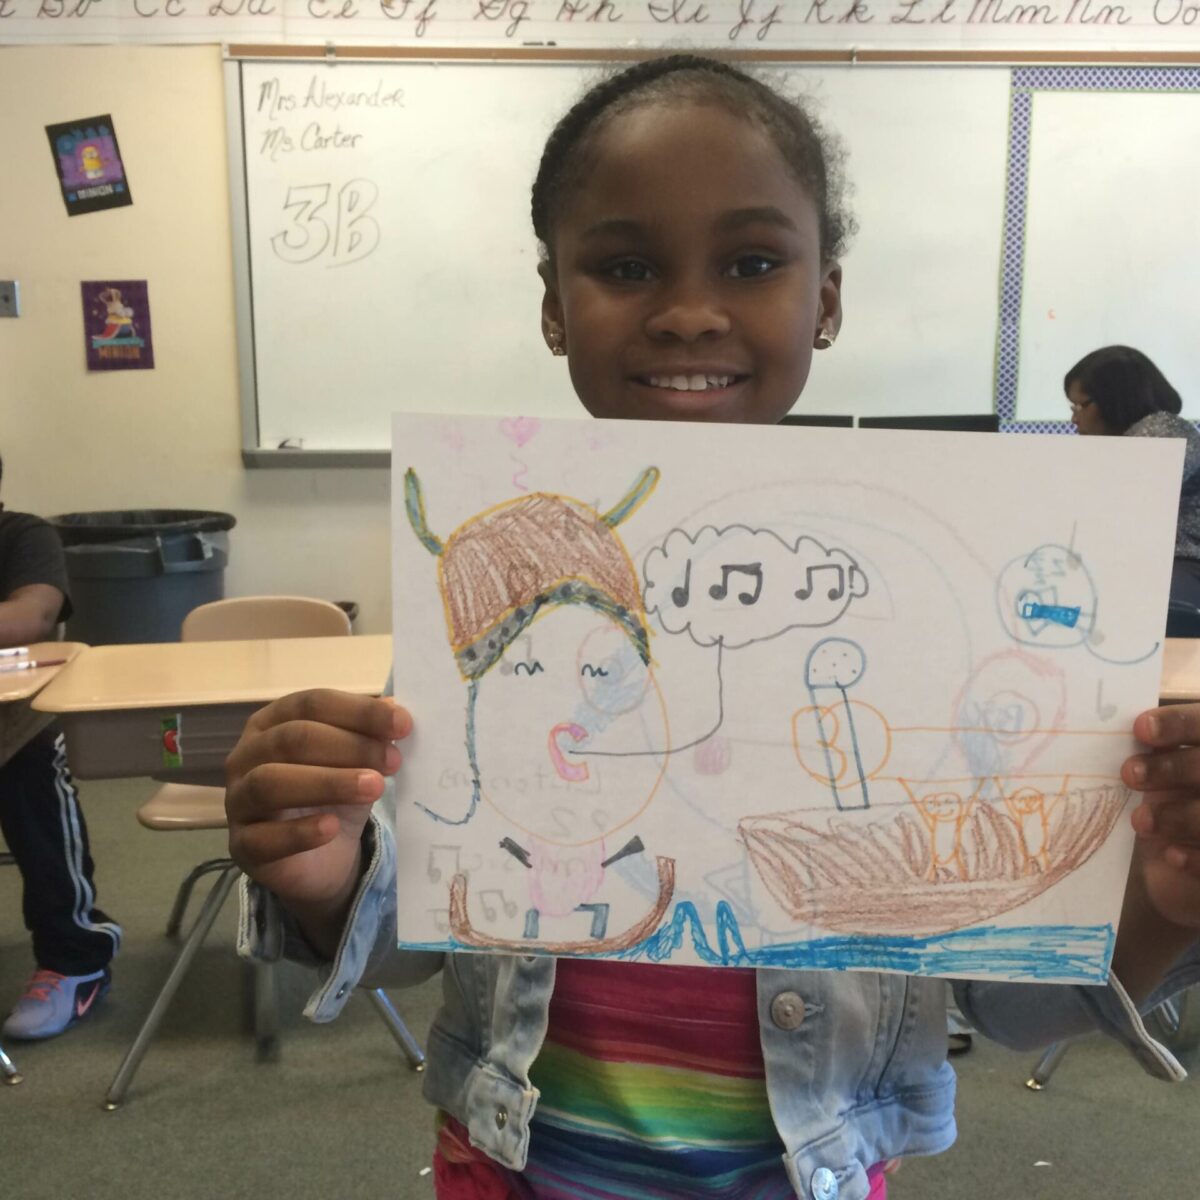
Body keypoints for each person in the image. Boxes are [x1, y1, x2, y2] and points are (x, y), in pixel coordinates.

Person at [226, 56, 1200, 1200]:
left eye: (752, 262)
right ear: (553, 303)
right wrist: (326, 873)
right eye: (626, 266)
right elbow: (416, 931)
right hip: (521, 1175)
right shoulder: (504, 598)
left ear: (825, 298)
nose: (690, 310)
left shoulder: (907, 609)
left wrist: (1159, 904)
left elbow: (1015, 1002)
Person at [0, 454, 121, 1039]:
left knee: (35, 788)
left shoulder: (23, 535)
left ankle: (75, 959)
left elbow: (31, 616)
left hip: (12, 724)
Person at [1065, 345, 1200, 610]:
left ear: (1115, 398)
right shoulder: (1133, 437)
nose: (1074, 418)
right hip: (1148, 561)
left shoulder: (1162, 432)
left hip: (1182, 561)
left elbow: (1121, 503)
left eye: (1082, 405)